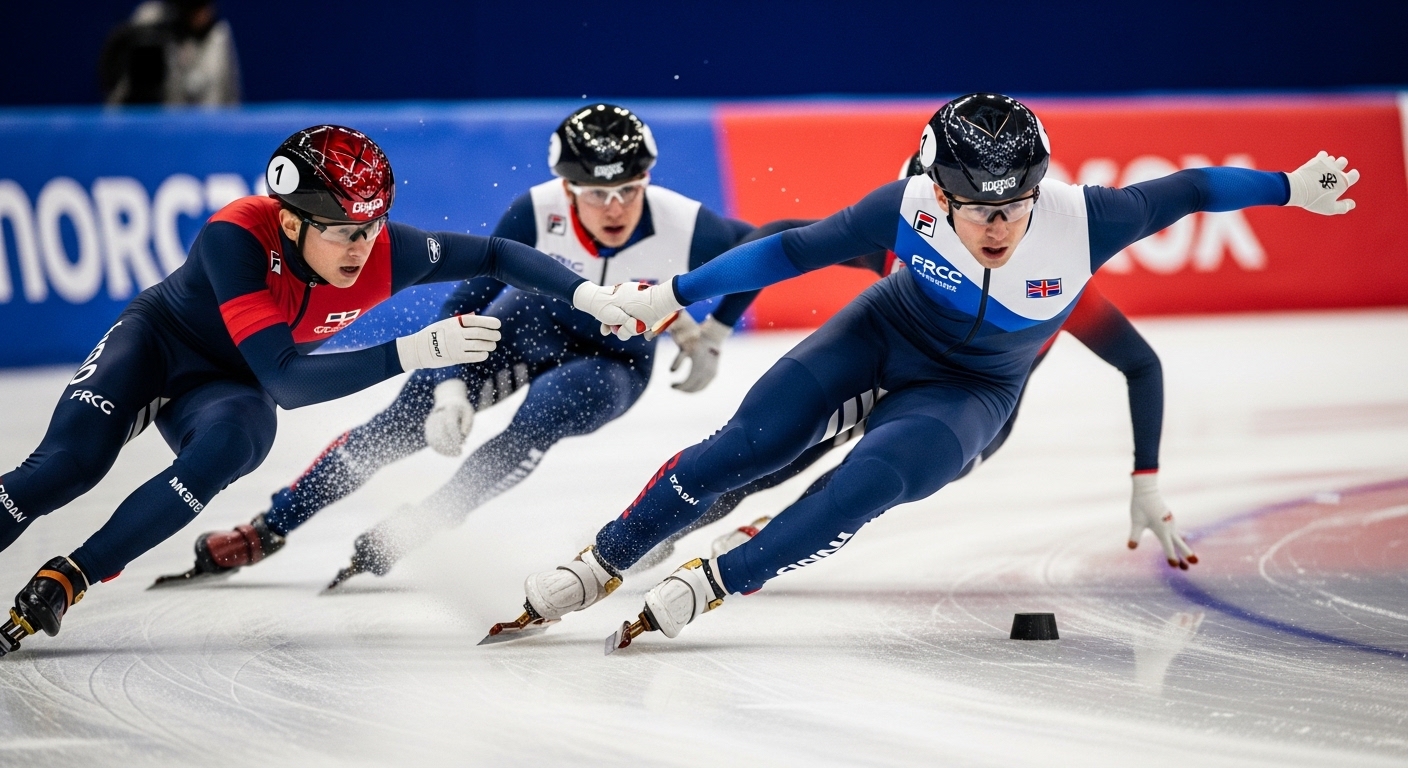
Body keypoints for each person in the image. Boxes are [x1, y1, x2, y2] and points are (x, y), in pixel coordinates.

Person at [487, 93, 1358, 648]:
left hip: (972, 392)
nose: (999, 226)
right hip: (883, 333)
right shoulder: (905, 206)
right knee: (749, 444)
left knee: (872, 479)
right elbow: (792, 250)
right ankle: (600, 562)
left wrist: (1288, 186)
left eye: (1015, 206)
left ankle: (718, 579)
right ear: (936, 193)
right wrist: (674, 292)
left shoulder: (1087, 220)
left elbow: (1196, 189)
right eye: (977, 208)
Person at [0, 124, 638, 657]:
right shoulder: (239, 235)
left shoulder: (389, 251)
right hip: (157, 349)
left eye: (371, 227)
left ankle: (68, 578)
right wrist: (410, 352)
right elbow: (287, 380)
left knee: (235, 444)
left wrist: (589, 295)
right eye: (341, 229)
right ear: (291, 218)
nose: (361, 247)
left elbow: (498, 253)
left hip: (229, 386)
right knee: (65, 469)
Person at [156, 104, 763, 592]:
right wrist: (448, 387)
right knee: (403, 422)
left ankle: (424, 523)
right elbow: (467, 298)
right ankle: (271, 526)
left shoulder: (685, 221)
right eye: (592, 192)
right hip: (530, 321)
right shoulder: (535, 211)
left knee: (544, 414)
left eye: (628, 191)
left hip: (613, 361)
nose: (613, 208)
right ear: (564, 187)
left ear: (647, 182)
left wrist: (714, 333)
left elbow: (760, 250)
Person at [635, 154, 1168, 572]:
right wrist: (716, 330)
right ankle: (659, 537)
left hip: (968, 405)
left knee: (862, 477)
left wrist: (1147, 475)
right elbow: (780, 237)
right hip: (895, 366)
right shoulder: (902, 237)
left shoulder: (1055, 287)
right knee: (772, 456)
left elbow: (1139, 363)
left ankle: (767, 532)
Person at [99, 0, 241, 106]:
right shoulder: (149, 22)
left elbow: (229, 97)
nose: (203, 15)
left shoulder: (218, 36)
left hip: (208, 131)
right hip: (160, 127)